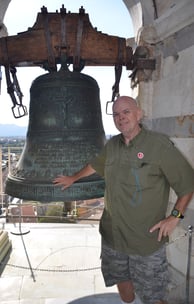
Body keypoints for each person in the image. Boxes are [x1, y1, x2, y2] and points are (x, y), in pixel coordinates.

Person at [53, 96, 194, 304]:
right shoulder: (112, 145)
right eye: (116, 114)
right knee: (125, 294)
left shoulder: (159, 145)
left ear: (139, 114)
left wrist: (175, 216)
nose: (121, 118)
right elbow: (95, 164)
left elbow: (188, 183)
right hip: (113, 237)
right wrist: (74, 177)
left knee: (153, 297)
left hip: (144, 241)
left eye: (126, 112)